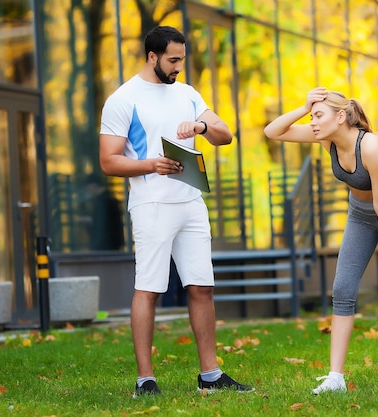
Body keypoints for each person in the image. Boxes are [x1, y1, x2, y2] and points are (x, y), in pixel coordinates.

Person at [99, 25, 254, 397]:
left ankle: (211, 376)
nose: (178, 67)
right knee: (149, 289)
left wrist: (202, 125)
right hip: (152, 204)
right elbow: (109, 161)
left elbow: (225, 134)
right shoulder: (124, 99)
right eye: (172, 60)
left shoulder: (187, 93)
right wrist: (152, 164)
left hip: (191, 203)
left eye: (182, 59)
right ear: (152, 57)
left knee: (202, 286)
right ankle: (145, 380)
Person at [264, 87, 378, 394]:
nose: (313, 122)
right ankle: (336, 378)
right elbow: (273, 131)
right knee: (343, 290)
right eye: (312, 117)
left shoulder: (371, 147)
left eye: (318, 116)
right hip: (360, 216)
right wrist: (304, 106)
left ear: (340, 117)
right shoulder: (326, 137)